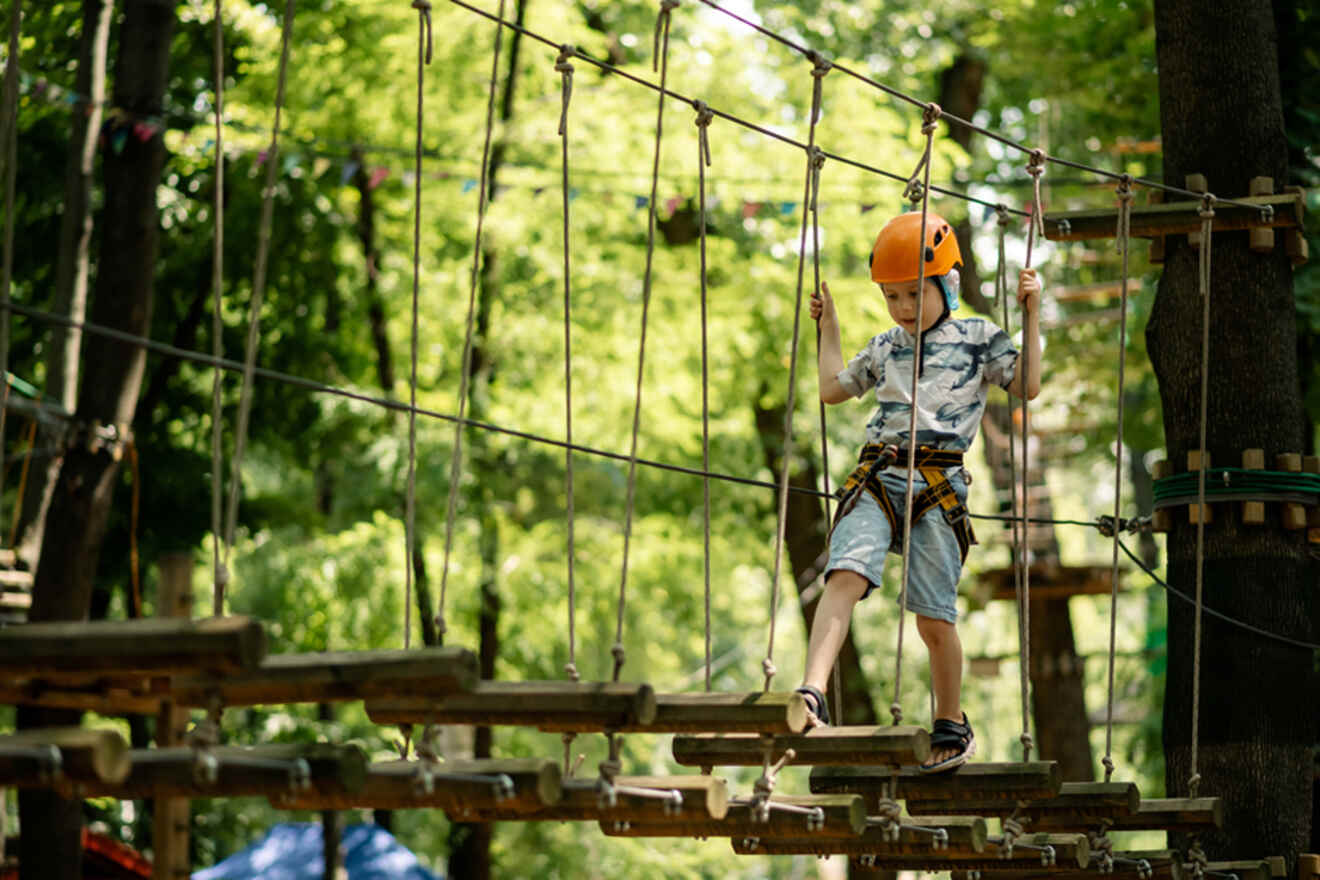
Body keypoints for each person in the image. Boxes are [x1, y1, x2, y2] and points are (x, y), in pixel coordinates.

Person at [796, 210, 1041, 773]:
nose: (903, 309)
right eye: (892, 297)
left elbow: (1026, 384)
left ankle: (950, 719)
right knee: (845, 574)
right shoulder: (885, 345)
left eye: (913, 295)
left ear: (946, 284)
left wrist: (1031, 314)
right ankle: (812, 691)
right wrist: (827, 325)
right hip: (878, 475)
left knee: (933, 618)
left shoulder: (980, 338)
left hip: (939, 483)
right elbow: (834, 389)